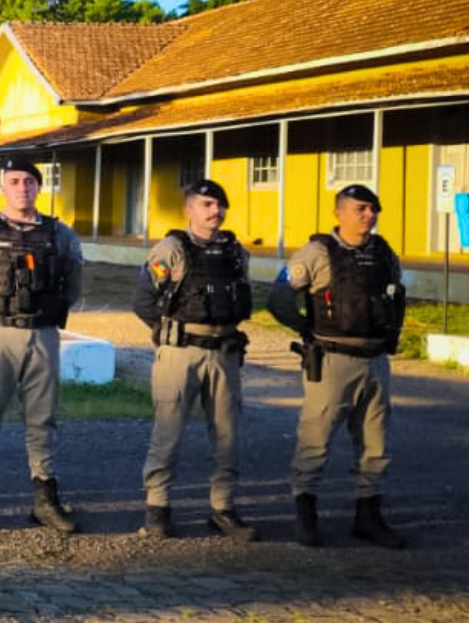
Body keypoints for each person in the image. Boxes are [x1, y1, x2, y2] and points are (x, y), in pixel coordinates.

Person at [266, 184, 408, 549]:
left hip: (374, 360)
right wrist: (306, 330)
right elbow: (280, 296)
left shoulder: (383, 252)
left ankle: (368, 515)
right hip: (332, 360)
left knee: (376, 443)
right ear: (339, 213)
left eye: (373, 209)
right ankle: (306, 513)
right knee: (316, 438)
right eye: (360, 208)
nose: (368, 215)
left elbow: (395, 296)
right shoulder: (317, 252)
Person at [0, 156, 85, 532]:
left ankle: (45, 499)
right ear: (3, 187)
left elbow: (72, 286)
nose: (22, 188)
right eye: (14, 181)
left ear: (38, 187)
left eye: (29, 181)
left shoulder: (61, 234)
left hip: (43, 335)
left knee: (42, 419)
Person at [132, 179, 257, 541]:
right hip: (180, 354)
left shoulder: (236, 251)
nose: (214, 211)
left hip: (224, 353)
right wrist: (170, 332)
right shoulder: (171, 248)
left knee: (228, 435)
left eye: (219, 205)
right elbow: (143, 300)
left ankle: (223, 508)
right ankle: (157, 508)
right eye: (206, 205)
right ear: (189, 209)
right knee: (167, 432)